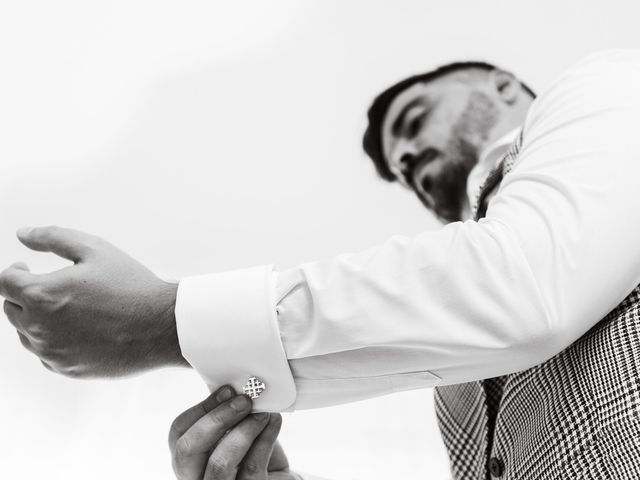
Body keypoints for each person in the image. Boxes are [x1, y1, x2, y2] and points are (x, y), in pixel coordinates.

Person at [2, 49, 640, 479]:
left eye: (416, 122)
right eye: (403, 171)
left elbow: (524, 287)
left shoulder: (608, 85)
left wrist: (162, 321)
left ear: (502, 86)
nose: (411, 159)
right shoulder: (453, 384)